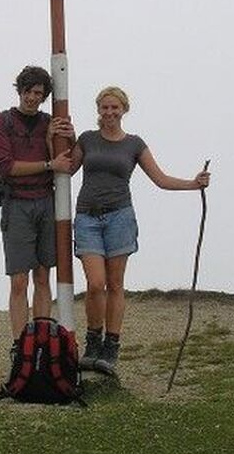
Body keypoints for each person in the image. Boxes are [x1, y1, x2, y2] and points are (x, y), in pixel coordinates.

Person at [70, 86, 210, 374]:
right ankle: (92, 343)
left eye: (114, 107)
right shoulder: (86, 139)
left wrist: (194, 183)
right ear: (98, 110)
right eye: (105, 107)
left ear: (124, 110)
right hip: (87, 218)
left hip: (120, 217)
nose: (109, 112)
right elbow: (65, 168)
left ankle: (111, 348)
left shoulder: (134, 144)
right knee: (96, 284)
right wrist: (52, 142)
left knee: (116, 283)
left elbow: (159, 178)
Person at [0, 65, 74, 359]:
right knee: (18, 280)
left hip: (45, 202)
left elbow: (66, 162)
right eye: (29, 91)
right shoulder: (1, 122)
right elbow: (6, 167)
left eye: (39, 93)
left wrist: (54, 141)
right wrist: (49, 166)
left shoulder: (49, 123)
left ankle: (40, 339)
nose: (33, 98)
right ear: (20, 90)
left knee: (42, 276)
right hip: (18, 204)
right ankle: (18, 345)